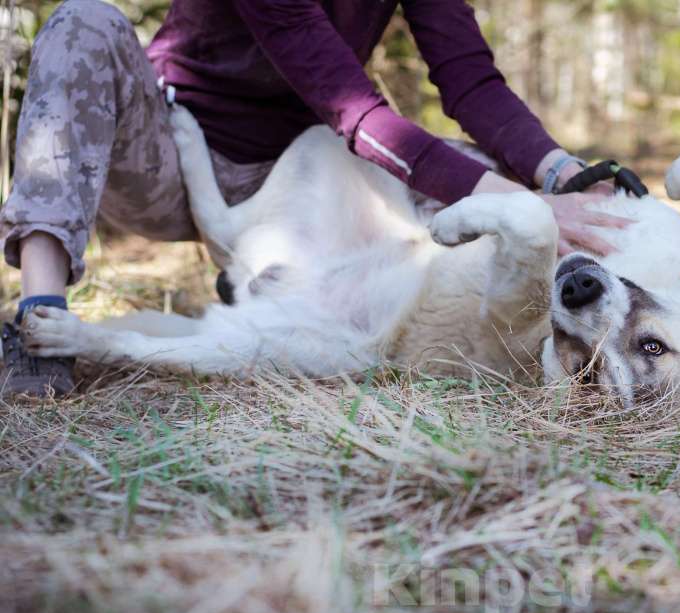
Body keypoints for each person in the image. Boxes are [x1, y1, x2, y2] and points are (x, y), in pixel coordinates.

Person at [0, 0, 631, 398]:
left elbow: (469, 78)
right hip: (169, 159)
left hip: (309, 175)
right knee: (85, 19)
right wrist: (521, 202)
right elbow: (349, 104)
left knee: (484, 170)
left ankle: (579, 325)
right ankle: (36, 320)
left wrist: (560, 175)